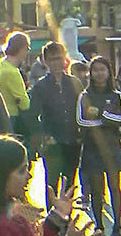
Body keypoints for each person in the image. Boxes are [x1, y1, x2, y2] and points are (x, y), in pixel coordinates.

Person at [76, 56, 121, 236]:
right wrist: (106, 121)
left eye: (103, 69)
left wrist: (103, 116)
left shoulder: (117, 95)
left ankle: (117, 225)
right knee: (97, 189)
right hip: (92, 147)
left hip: (112, 147)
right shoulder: (85, 95)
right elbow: (81, 121)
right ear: (90, 73)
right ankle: (99, 226)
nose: (99, 73)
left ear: (109, 72)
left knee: (115, 186)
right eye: (95, 70)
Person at [28, 42, 84, 207]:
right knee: (52, 183)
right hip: (52, 142)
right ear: (45, 61)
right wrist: (44, 135)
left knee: (70, 183)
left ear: (65, 59)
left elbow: (82, 111)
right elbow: (32, 115)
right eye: (52, 60)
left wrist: (81, 135)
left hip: (73, 140)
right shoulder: (40, 86)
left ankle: (66, 220)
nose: (56, 63)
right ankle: (52, 223)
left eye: (59, 58)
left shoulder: (74, 83)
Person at [0, 33, 33, 152]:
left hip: (4, 114)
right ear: (21, 49)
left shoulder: (2, 64)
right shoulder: (12, 72)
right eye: (27, 48)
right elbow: (25, 103)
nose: (27, 52)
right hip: (14, 118)